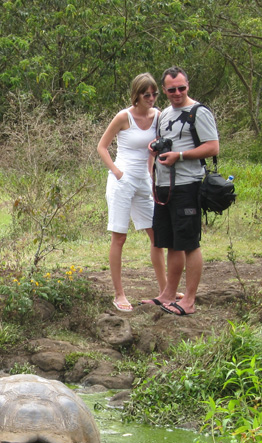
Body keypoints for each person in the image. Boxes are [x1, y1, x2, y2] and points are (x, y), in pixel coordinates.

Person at [145, 66, 219, 316]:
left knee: (189, 243)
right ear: (164, 90)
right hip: (164, 186)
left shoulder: (199, 111)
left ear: (188, 85)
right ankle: (167, 293)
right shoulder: (165, 114)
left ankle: (189, 300)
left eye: (182, 88)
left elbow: (213, 147)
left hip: (188, 185)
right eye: (171, 89)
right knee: (170, 243)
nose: (177, 93)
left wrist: (181, 155)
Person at [96, 73, 166, 313]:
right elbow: (102, 146)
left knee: (157, 236)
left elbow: (155, 149)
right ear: (136, 95)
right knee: (120, 237)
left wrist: (150, 173)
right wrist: (117, 172)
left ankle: (165, 290)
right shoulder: (123, 117)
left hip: (144, 182)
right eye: (147, 94)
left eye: (155, 94)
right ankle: (119, 293)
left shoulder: (158, 116)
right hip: (123, 180)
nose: (152, 98)